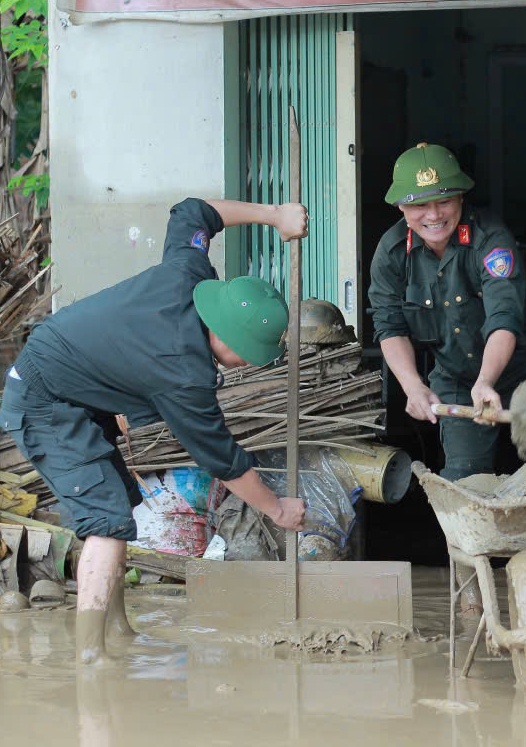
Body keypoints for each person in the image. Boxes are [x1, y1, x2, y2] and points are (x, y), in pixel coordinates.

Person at [0, 197, 309, 666]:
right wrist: (278, 508)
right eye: (247, 351)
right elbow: (222, 459)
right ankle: (89, 655)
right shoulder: (183, 372)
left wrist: (274, 216)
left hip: (76, 387)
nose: (247, 363)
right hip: (45, 401)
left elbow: (194, 211)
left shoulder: (190, 272)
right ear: (223, 333)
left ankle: (118, 628)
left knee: (118, 506)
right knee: (105, 519)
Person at [367, 142, 526, 611]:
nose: (433, 214)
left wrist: (488, 380)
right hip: (453, 376)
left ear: (462, 199)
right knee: (464, 485)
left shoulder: (491, 240)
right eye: (419, 204)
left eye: (444, 200)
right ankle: (471, 598)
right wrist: (413, 386)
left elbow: (504, 317)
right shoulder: (392, 253)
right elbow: (389, 327)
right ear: (400, 206)